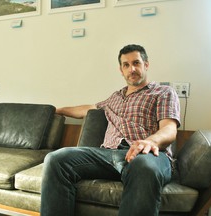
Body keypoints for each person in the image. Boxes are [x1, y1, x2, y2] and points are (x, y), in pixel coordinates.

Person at [40, 44, 180, 216]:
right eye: (126, 65)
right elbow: (89, 108)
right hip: (107, 155)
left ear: (146, 65)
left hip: (147, 155)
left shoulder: (163, 92)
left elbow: (169, 128)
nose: (132, 69)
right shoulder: (115, 97)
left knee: (144, 168)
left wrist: (150, 141)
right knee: (56, 159)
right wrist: (57, 110)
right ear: (121, 70)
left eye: (136, 63)